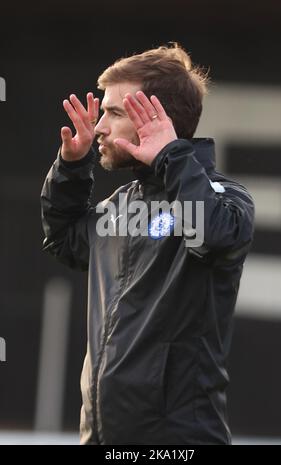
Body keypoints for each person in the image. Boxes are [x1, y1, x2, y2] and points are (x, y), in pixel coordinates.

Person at [41, 43, 255, 445]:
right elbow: (66, 241)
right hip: (102, 437)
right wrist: (72, 166)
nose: (100, 126)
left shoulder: (222, 197)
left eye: (114, 113)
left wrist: (172, 156)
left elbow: (213, 237)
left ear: (159, 121)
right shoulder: (121, 204)